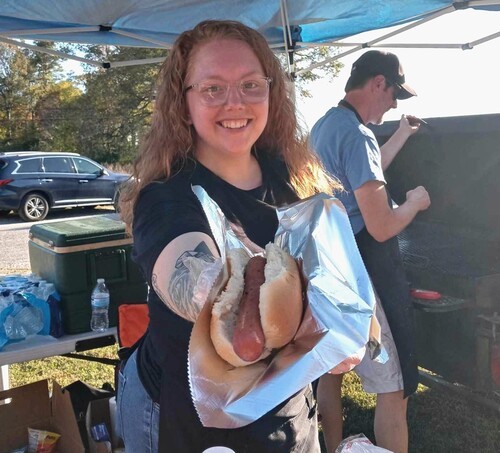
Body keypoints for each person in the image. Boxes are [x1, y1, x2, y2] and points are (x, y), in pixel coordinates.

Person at [117, 19, 340, 453]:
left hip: (291, 410)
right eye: (212, 89)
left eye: (250, 85)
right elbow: (185, 272)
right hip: (193, 424)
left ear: (271, 92)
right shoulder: (165, 196)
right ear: (184, 105)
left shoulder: (293, 179)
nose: (234, 102)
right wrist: (221, 293)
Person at [309, 50, 431, 453]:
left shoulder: (326, 126)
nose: (394, 104)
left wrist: (401, 134)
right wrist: (413, 203)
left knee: (332, 371)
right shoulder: (357, 136)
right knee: (393, 387)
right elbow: (381, 226)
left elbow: (365, 174)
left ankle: (331, 448)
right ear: (378, 83)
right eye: (395, 94)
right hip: (365, 271)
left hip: (329, 270)